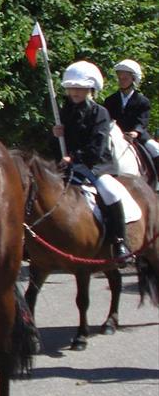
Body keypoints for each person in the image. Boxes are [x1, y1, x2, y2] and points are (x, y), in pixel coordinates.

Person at [55, 61, 131, 260]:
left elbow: (97, 147)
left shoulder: (100, 113)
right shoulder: (63, 112)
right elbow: (57, 147)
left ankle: (119, 240)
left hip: (96, 165)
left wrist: (74, 158)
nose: (75, 92)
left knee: (110, 191)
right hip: (68, 165)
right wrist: (54, 136)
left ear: (91, 89)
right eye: (72, 88)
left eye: (80, 89)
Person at [103, 59, 159, 188]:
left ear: (133, 79)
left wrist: (136, 132)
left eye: (125, 78)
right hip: (115, 135)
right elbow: (106, 119)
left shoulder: (142, 101)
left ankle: (156, 183)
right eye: (120, 77)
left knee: (156, 149)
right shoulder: (110, 100)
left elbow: (142, 120)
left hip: (136, 135)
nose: (121, 80)